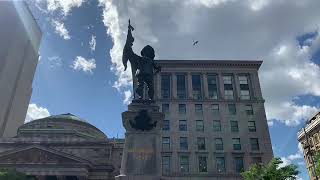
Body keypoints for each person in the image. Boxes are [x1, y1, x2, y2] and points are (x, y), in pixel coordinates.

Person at [122, 20, 161, 100]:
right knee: (143, 86)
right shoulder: (142, 59)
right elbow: (130, 53)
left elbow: (156, 67)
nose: (147, 53)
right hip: (144, 74)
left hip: (145, 74)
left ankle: (148, 98)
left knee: (148, 86)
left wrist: (158, 68)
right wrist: (129, 38)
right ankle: (143, 97)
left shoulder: (148, 60)